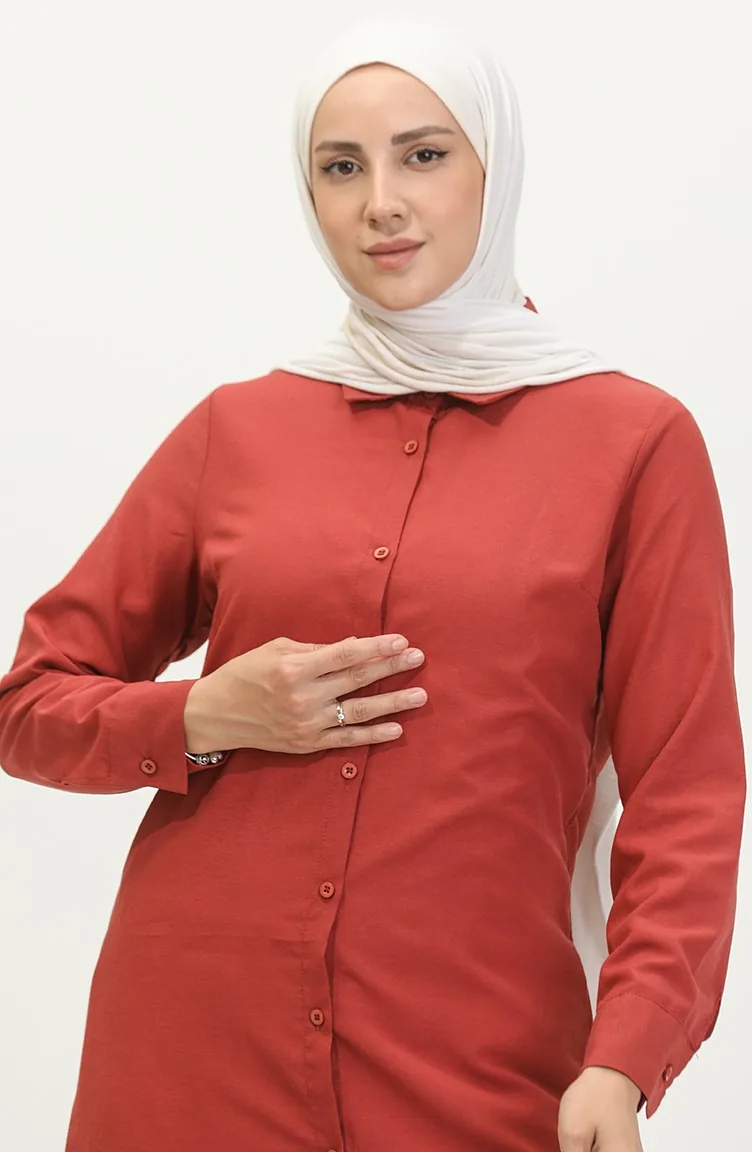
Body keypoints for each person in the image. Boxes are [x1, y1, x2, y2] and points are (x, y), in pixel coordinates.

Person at [0, 16, 745, 1152]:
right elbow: (28, 703)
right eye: (340, 168)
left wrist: (626, 1057)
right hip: (190, 1052)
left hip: (475, 1056)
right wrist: (199, 715)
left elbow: (687, 790)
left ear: (495, 166)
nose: (380, 204)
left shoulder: (632, 442)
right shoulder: (238, 429)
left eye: (423, 155)